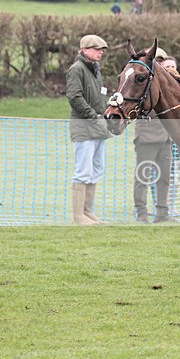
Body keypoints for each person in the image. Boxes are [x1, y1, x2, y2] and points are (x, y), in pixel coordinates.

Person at [66, 34, 112, 225]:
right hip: (84, 127)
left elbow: (97, 97)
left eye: (102, 50)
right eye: (96, 49)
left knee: (96, 169)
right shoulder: (76, 69)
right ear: (84, 50)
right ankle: (78, 217)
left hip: (99, 126)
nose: (100, 52)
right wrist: (93, 116)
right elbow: (74, 97)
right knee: (83, 171)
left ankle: (87, 212)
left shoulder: (95, 69)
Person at [132, 47, 177, 223]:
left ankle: (162, 214)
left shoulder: (166, 83)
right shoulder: (141, 82)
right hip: (147, 137)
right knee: (142, 177)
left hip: (166, 138)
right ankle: (142, 214)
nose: (158, 63)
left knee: (165, 178)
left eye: (161, 60)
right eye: (156, 60)